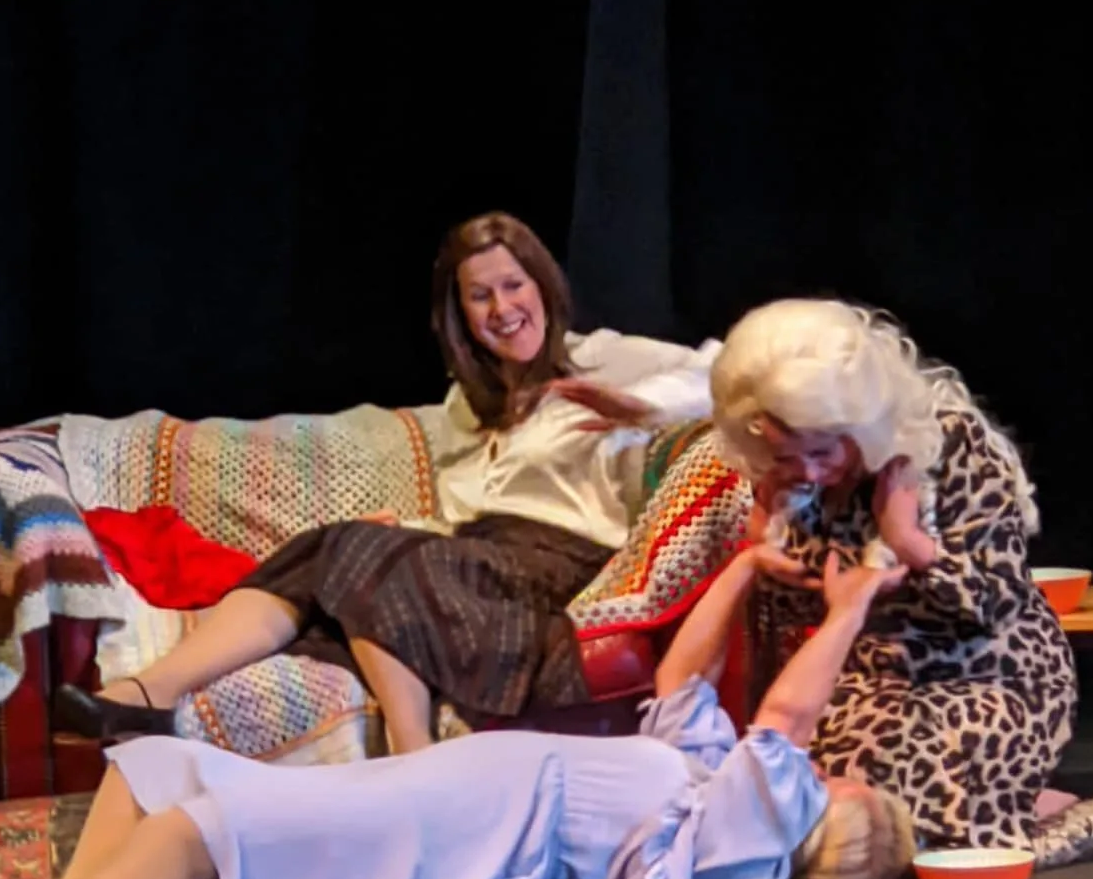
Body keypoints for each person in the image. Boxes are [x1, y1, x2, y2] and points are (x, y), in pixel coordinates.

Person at [0, 543, 919, 879]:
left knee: (196, 829)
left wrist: (852, 605)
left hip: (470, 824)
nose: (831, 769)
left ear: (842, 825)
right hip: (468, 790)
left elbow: (786, 716)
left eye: (849, 784)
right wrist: (742, 566)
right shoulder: (712, 795)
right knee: (154, 763)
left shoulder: (754, 846)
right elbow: (679, 678)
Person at [55, 211, 719, 755]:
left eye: (514, 286)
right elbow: (468, 517)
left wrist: (638, 408)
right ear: (461, 314)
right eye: (480, 295)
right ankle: (148, 695)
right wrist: (409, 533)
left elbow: (723, 372)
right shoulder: (467, 405)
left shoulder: (604, 356)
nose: (503, 308)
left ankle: (413, 752)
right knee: (328, 547)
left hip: (553, 572)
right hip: (480, 565)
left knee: (351, 554)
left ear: (542, 285)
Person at [711, 298, 1093, 859]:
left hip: (989, 673)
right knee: (827, 814)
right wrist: (771, 549)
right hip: (871, 681)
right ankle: (1022, 815)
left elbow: (996, 603)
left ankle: (1053, 826)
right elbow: (809, 613)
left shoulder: (947, 446)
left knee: (913, 808)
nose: (808, 471)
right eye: (788, 456)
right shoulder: (785, 483)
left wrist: (913, 545)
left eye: (820, 451)